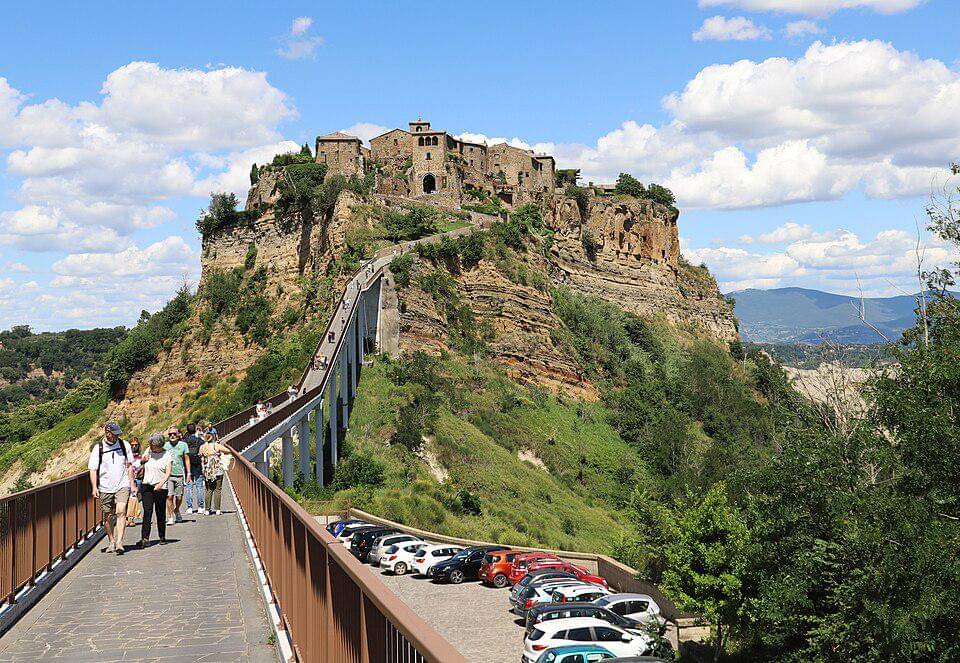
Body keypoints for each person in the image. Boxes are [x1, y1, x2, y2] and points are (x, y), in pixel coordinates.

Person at [87, 422, 135, 555]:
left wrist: (131, 483)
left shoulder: (124, 445)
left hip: (122, 484)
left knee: (121, 512)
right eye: (114, 434)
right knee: (108, 516)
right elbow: (92, 469)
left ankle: (119, 542)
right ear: (107, 433)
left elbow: (130, 465)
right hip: (105, 487)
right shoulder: (99, 448)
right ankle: (111, 541)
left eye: (118, 433)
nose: (117, 436)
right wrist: (94, 487)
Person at [139, 433, 172, 547]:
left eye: (152, 445)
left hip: (160, 487)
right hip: (147, 485)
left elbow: (168, 472)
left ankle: (162, 536)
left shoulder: (167, 454)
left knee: (160, 512)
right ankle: (145, 538)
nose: (150, 446)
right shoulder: (148, 450)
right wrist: (142, 461)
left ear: (159, 445)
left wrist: (161, 484)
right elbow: (141, 463)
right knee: (147, 512)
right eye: (150, 444)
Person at [200, 434, 234, 515]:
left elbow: (200, 454)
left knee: (208, 489)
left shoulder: (202, 447)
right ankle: (218, 509)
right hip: (217, 469)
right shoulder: (216, 445)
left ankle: (207, 510)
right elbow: (228, 451)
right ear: (213, 438)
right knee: (217, 489)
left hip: (207, 470)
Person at [163, 427, 190, 525]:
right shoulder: (165, 446)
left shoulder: (183, 445)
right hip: (168, 475)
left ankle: (177, 510)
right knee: (169, 496)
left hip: (179, 474)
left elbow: (187, 459)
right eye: (170, 434)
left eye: (174, 433)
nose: (172, 436)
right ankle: (170, 517)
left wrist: (189, 473)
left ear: (178, 434)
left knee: (179, 497)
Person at [183, 423, 205, 515]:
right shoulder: (199, 440)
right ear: (196, 430)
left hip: (188, 465)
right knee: (199, 486)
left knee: (189, 487)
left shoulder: (185, 441)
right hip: (197, 464)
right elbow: (203, 450)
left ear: (187, 430)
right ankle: (200, 507)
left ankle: (189, 507)